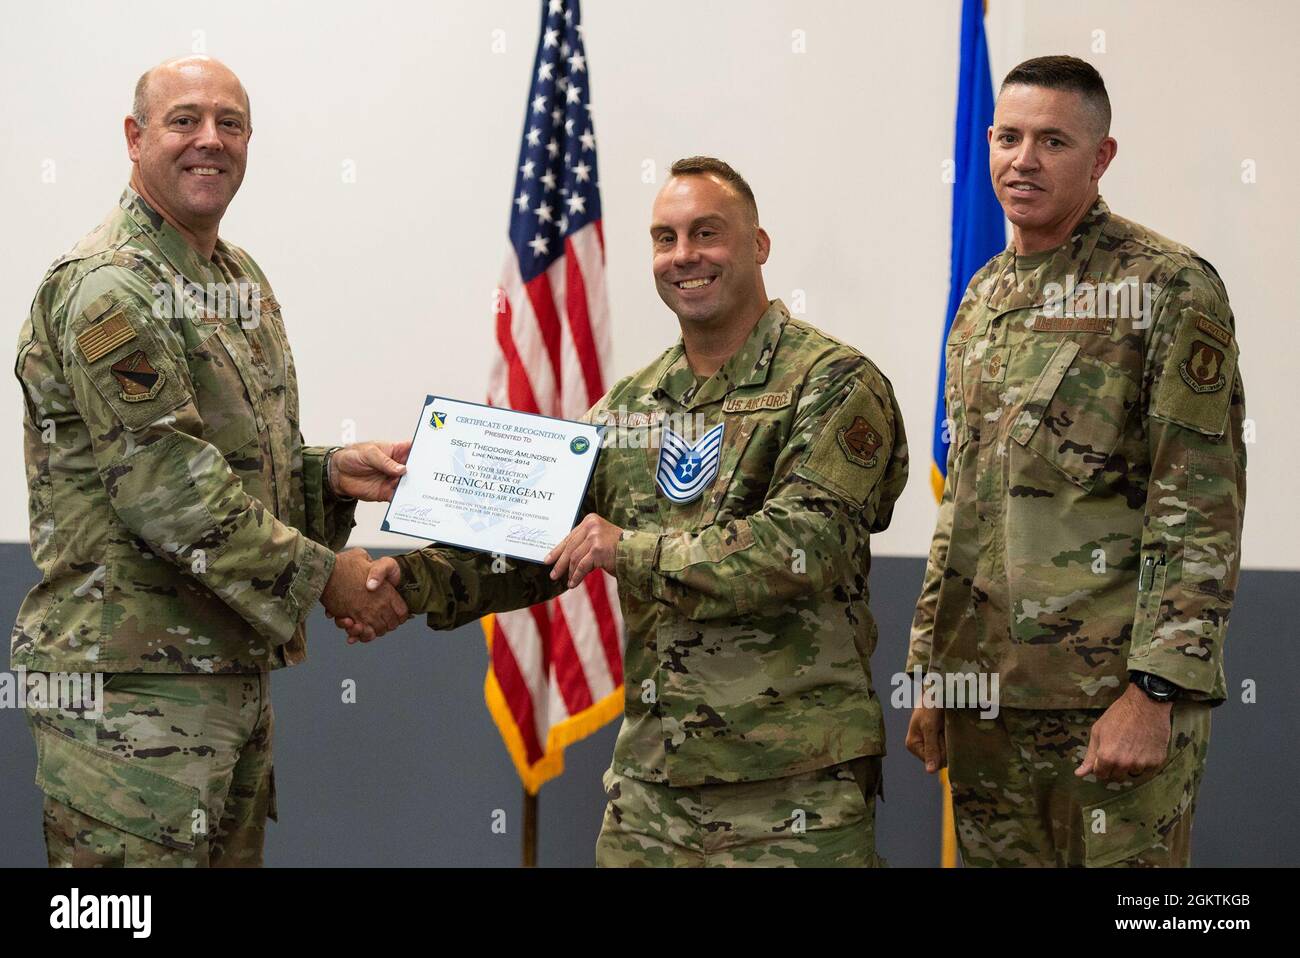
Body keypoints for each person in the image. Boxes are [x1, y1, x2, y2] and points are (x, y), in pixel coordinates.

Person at [336, 156, 908, 867]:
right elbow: (541, 545)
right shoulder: (632, 406)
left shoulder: (833, 384)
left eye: (707, 233)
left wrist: (625, 549)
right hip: (652, 790)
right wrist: (407, 581)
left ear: (759, 247)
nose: (684, 256)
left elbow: (806, 545)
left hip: (790, 789)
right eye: (665, 239)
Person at [13, 55, 408, 867]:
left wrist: (326, 474)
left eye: (230, 124)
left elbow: (228, 464)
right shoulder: (108, 287)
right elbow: (167, 490)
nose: (210, 141)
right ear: (134, 137)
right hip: (128, 702)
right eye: (184, 120)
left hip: (222, 681)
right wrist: (326, 576)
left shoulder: (235, 279)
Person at [906, 56, 1246, 867]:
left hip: (1107, 705)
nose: (1023, 159)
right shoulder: (985, 296)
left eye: (1053, 141)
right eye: (1008, 137)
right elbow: (964, 508)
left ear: (1101, 158)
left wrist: (1155, 690)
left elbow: (1197, 505)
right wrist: (932, 666)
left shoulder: (1165, 287)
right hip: (987, 700)